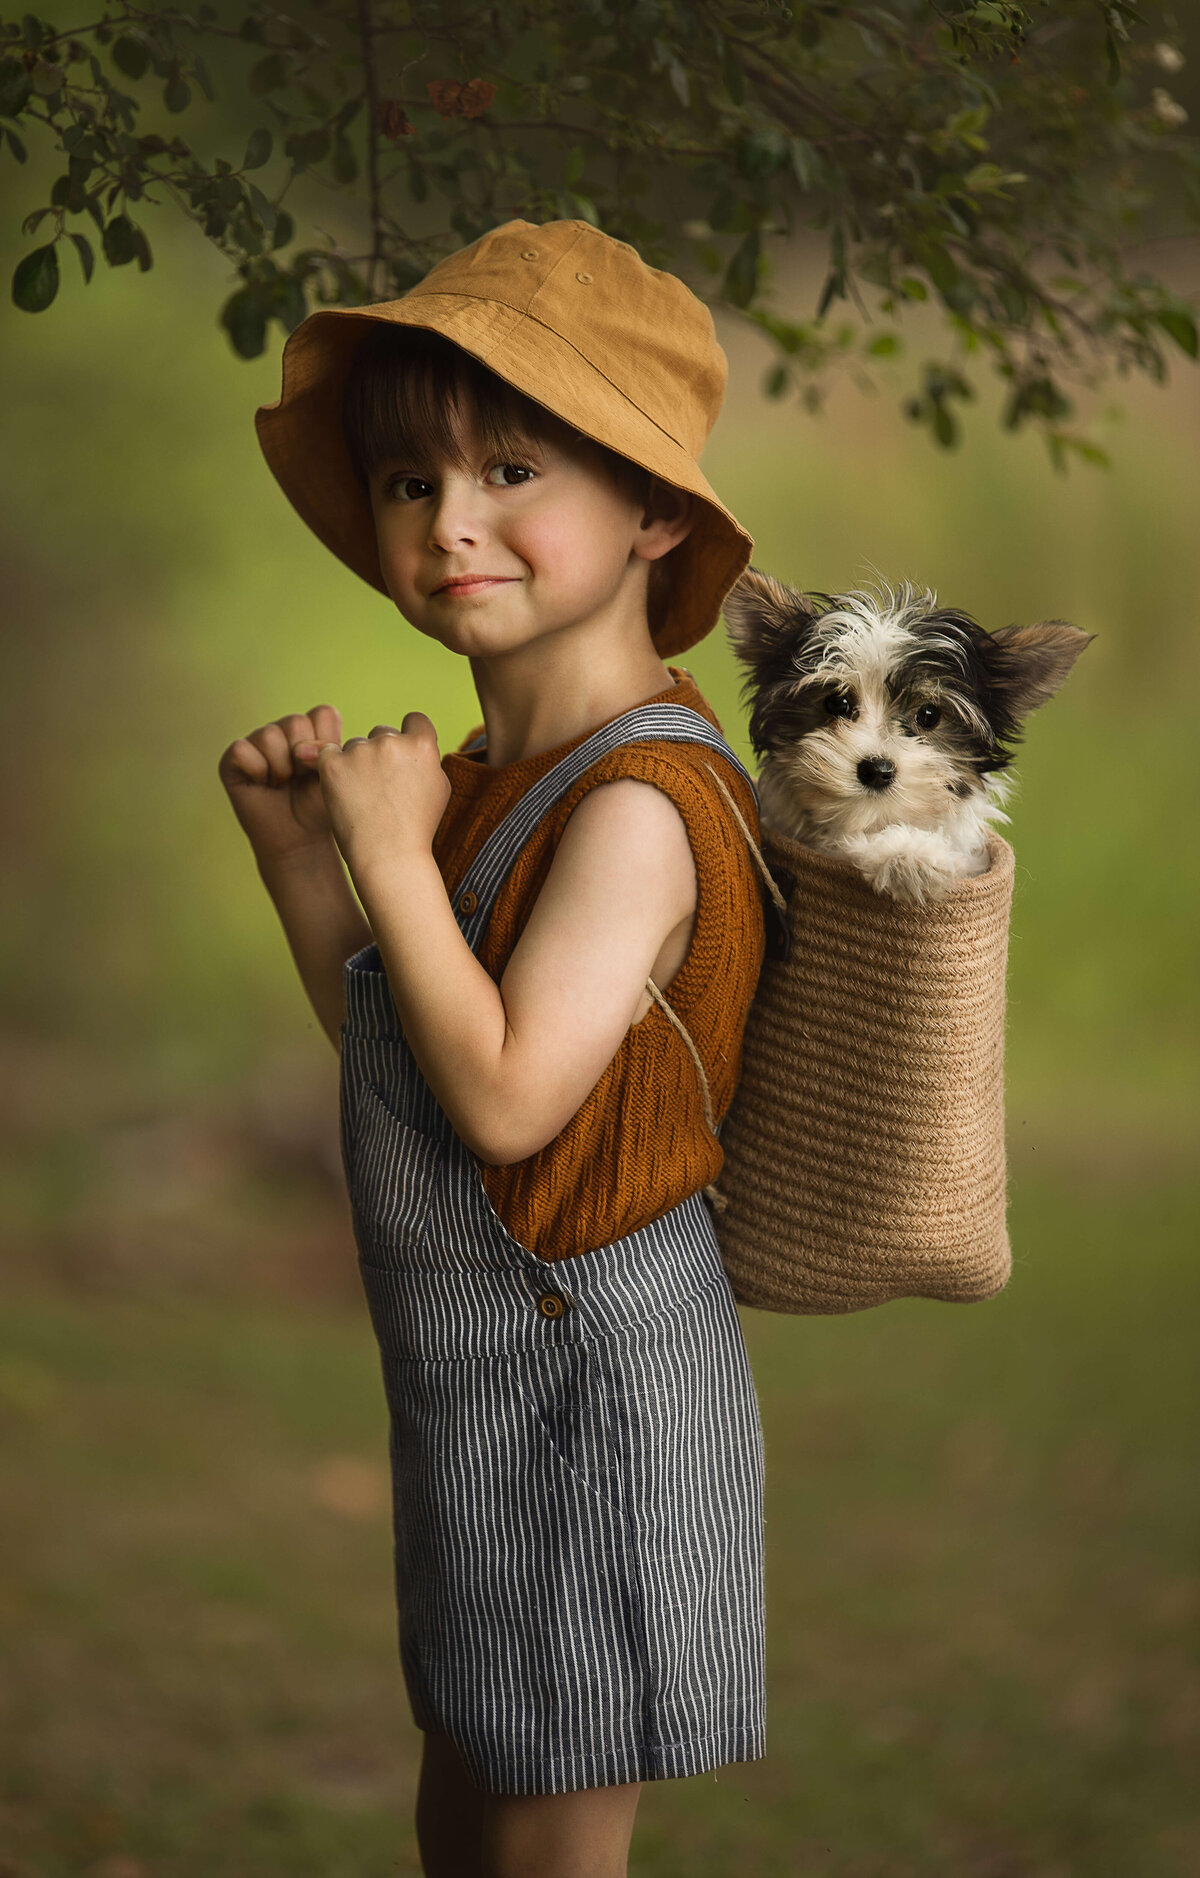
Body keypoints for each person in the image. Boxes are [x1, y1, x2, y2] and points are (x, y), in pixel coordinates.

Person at [218, 219, 767, 1878]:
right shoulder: (488, 774)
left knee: (544, 1842)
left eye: (512, 466)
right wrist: (308, 861)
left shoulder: (640, 803)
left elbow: (513, 1098)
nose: (450, 522)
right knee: (465, 1805)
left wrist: (389, 853)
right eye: (405, 482)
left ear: (654, 510)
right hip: (482, 1394)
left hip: (587, 1393)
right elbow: (408, 1052)